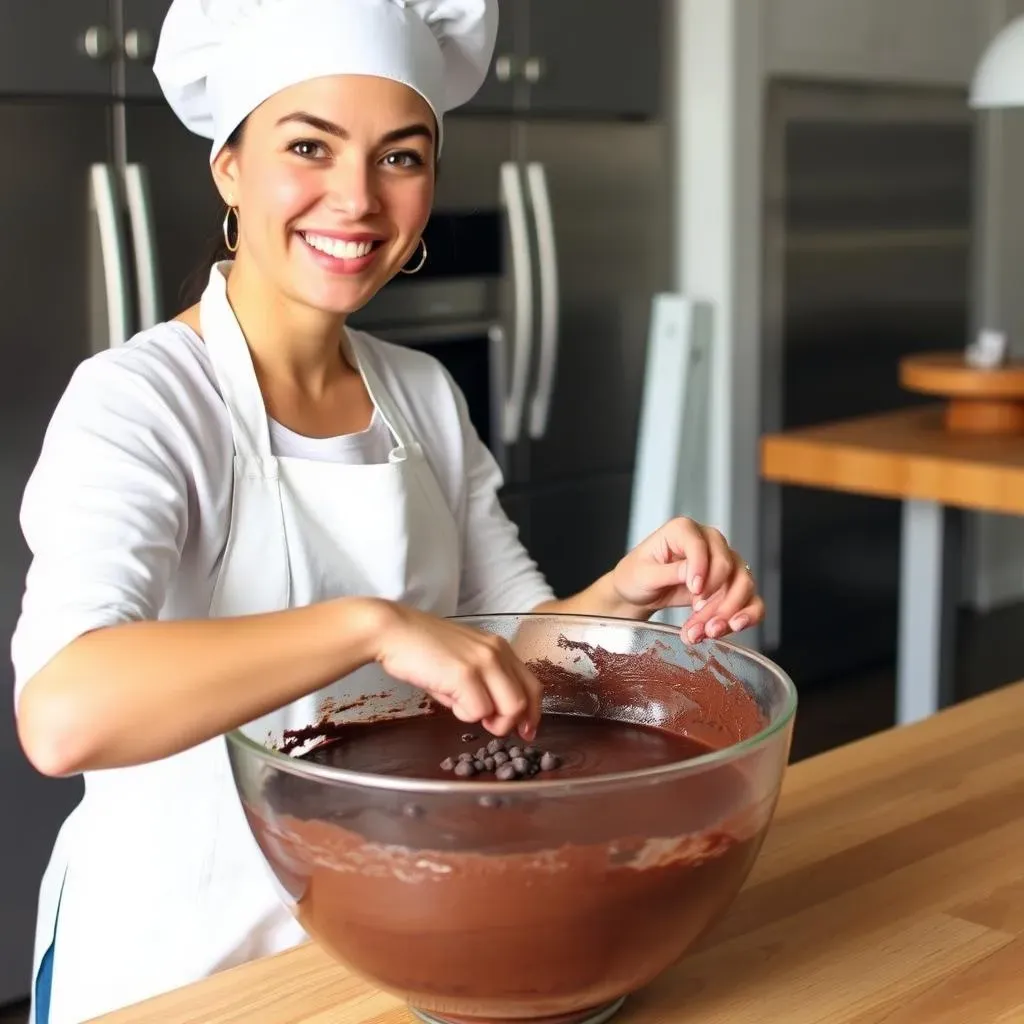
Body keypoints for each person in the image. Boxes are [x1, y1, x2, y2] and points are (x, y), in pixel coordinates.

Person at [10, 1, 764, 1021]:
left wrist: (625, 592)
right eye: (308, 145)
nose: (356, 198)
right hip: (185, 969)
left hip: (394, 947)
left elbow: (513, 649)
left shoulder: (420, 394)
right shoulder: (141, 400)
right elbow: (62, 713)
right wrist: (373, 625)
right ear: (230, 167)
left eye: (400, 157)